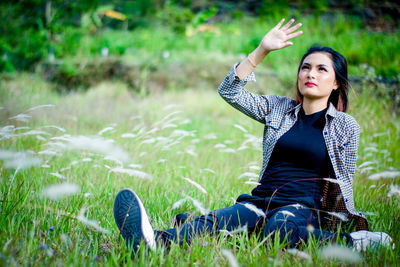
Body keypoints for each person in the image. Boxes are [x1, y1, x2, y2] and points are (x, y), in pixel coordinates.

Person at [113, 18, 393, 253]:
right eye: (305, 67)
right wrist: (261, 50)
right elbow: (229, 92)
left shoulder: (345, 125)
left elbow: (342, 182)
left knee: (278, 231)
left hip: (300, 207)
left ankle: (353, 243)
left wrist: (341, 220)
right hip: (260, 201)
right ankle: (152, 241)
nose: (311, 74)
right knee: (216, 222)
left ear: (335, 83)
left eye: (322, 69)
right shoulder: (279, 109)